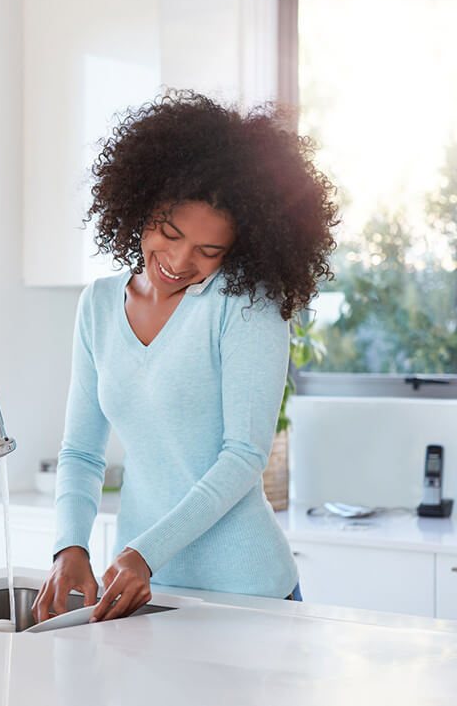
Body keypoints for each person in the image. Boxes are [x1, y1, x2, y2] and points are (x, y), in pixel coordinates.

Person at [32, 90, 339, 624]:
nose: (177, 261)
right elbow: (81, 452)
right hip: (143, 592)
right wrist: (70, 547)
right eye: (168, 233)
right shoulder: (100, 304)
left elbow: (243, 455)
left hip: (247, 596)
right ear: (139, 206)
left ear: (240, 248)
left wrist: (144, 552)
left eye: (208, 251)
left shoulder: (247, 304)